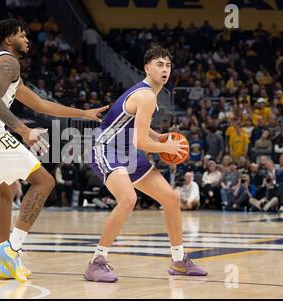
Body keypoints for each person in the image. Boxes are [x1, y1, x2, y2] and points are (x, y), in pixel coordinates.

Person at [0, 19, 107, 283]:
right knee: (44, 181)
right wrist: (24, 131)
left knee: (5, 190)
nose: (27, 39)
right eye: (21, 35)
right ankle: (13, 249)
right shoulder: (9, 62)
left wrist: (84, 113)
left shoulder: (6, 68)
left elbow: (41, 105)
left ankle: (4, 263)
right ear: (7, 39)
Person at [87, 46, 207, 283]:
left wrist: (158, 137)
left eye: (168, 65)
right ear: (147, 68)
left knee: (171, 199)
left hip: (126, 152)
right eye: (159, 64)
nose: (165, 69)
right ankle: (96, 262)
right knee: (128, 199)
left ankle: (179, 260)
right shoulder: (147, 96)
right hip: (105, 148)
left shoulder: (149, 94)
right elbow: (140, 141)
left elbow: (135, 126)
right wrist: (166, 148)